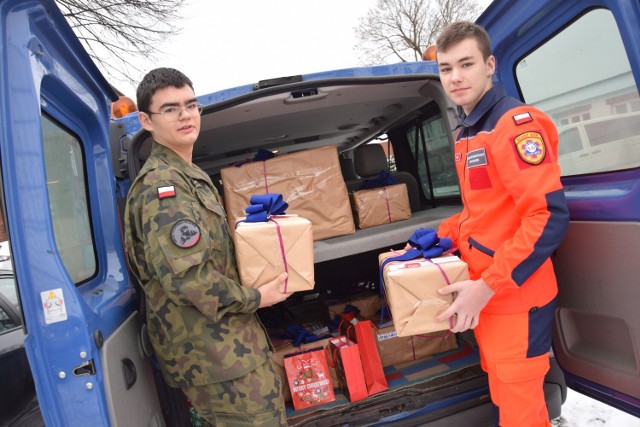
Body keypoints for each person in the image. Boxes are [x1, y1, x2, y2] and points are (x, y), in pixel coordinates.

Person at [124, 67, 292, 426]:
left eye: (191, 105)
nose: (185, 115)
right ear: (146, 121)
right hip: (215, 358)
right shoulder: (163, 188)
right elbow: (189, 280)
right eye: (170, 109)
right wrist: (258, 297)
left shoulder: (188, 175)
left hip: (229, 349)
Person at [429, 22, 570, 426]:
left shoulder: (514, 124)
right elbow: (483, 213)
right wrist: (434, 238)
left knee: (521, 409)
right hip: (485, 295)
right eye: (445, 68)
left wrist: (487, 287)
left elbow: (547, 216)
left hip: (513, 296)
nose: (455, 77)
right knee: (505, 397)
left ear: (490, 65)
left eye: (466, 64)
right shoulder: (468, 131)